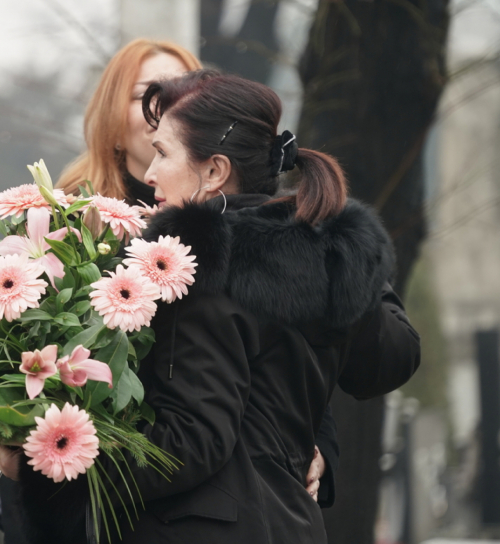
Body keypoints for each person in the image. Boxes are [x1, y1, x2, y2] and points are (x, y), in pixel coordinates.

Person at [0, 69, 420, 543]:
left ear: (215, 171)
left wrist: (52, 468)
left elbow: (191, 443)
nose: (150, 173)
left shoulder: (196, 267)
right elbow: (388, 360)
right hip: (291, 523)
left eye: (162, 153)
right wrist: (356, 266)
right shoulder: (321, 255)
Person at [55, 38, 338, 503]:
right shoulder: (68, 220)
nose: (165, 107)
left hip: (222, 502)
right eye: (149, 92)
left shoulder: (221, 247)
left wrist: (318, 446)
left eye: (186, 93)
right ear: (111, 113)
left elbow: (295, 369)